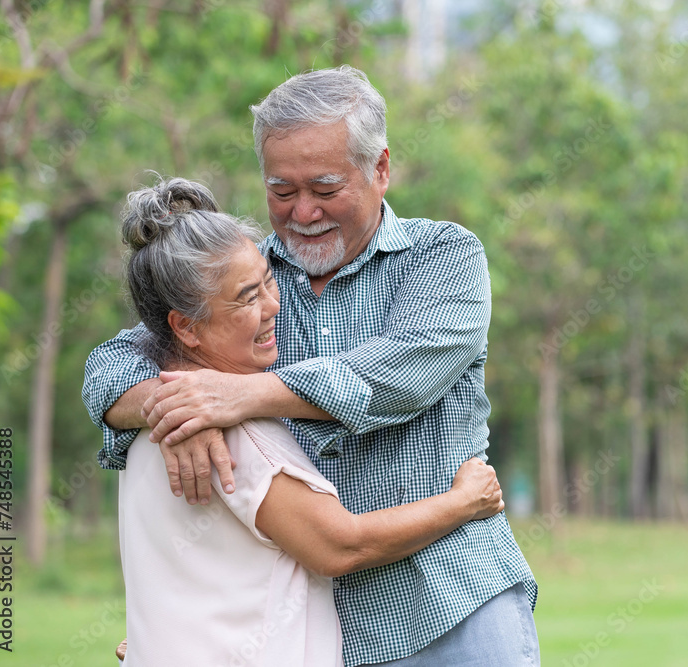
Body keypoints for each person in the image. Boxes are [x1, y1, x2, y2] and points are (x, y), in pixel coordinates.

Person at [84, 65, 539, 666]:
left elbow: (396, 377)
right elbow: (110, 364)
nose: (302, 213)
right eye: (281, 191)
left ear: (379, 169)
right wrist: (177, 409)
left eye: (325, 190)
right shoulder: (239, 279)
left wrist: (241, 397)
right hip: (318, 630)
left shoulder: (445, 256)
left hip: (453, 601)